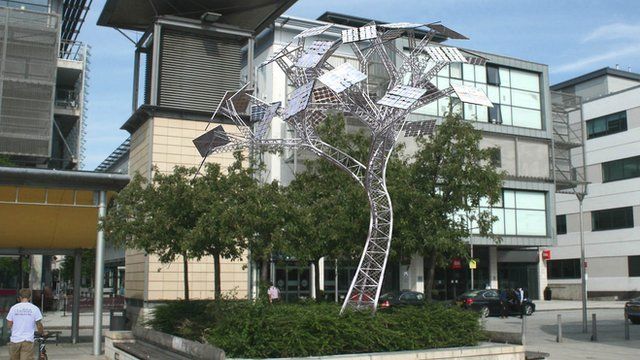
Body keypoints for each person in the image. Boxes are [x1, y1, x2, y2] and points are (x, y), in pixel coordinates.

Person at [6, 288, 44, 360]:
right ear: (29, 298)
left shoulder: (14, 308)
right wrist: (41, 332)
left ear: (20, 297)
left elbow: (9, 324)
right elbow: (39, 325)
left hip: (15, 340)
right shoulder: (35, 309)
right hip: (27, 340)